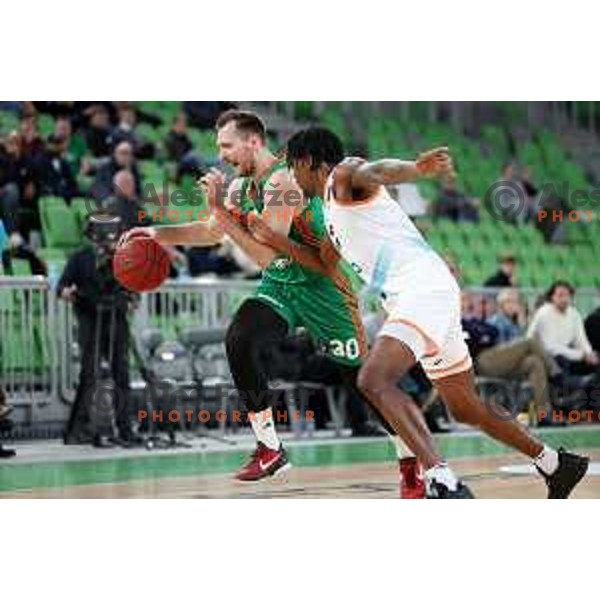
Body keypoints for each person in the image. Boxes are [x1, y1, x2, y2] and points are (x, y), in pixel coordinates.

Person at [253, 126, 588, 499]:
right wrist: (275, 241)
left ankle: (441, 479)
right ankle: (555, 464)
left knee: (373, 381)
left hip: (420, 289)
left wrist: (415, 168)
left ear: (305, 161)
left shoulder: (344, 175)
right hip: (425, 293)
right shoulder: (331, 213)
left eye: (292, 168)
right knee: (464, 406)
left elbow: (377, 170)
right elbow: (322, 263)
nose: (291, 178)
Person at [124, 110, 423, 498]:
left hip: (322, 287)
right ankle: (269, 448)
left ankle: (409, 460)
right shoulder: (237, 187)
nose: (222, 155)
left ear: (253, 141)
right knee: (240, 338)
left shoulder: (284, 180)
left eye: (227, 146)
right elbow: (209, 232)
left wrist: (223, 216)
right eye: (219, 147)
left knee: (363, 386)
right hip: (282, 287)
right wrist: (154, 233)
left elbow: (268, 255)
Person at [58, 214, 139, 447]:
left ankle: (125, 429)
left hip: (116, 320)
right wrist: (67, 293)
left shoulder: (123, 259)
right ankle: (76, 430)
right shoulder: (80, 258)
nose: (108, 244)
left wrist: (132, 298)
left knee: (122, 375)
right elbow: (62, 285)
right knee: (89, 376)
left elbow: (133, 290)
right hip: (89, 319)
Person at [528, 281, 600, 377]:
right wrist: (582, 355)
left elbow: (581, 339)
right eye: (560, 295)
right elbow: (552, 347)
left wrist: (589, 353)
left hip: (569, 355)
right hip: (546, 357)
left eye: (567, 295)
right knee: (560, 359)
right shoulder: (544, 313)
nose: (564, 299)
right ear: (552, 297)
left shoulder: (574, 314)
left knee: (595, 360)